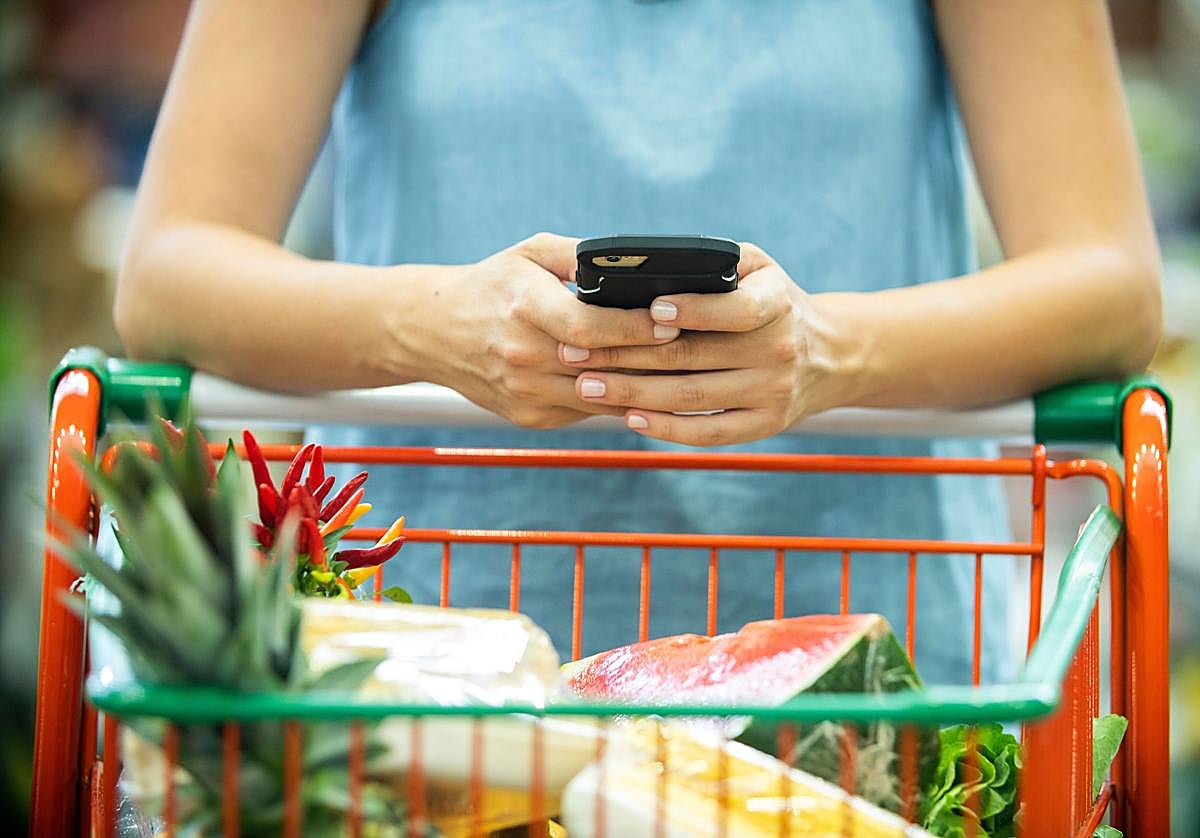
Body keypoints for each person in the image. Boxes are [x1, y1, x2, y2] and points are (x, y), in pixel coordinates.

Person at [114, 1, 1160, 683]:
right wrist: (441, 324)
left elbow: (1111, 285)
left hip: (873, 685)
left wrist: (830, 351)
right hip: (425, 678)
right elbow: (167, 268)